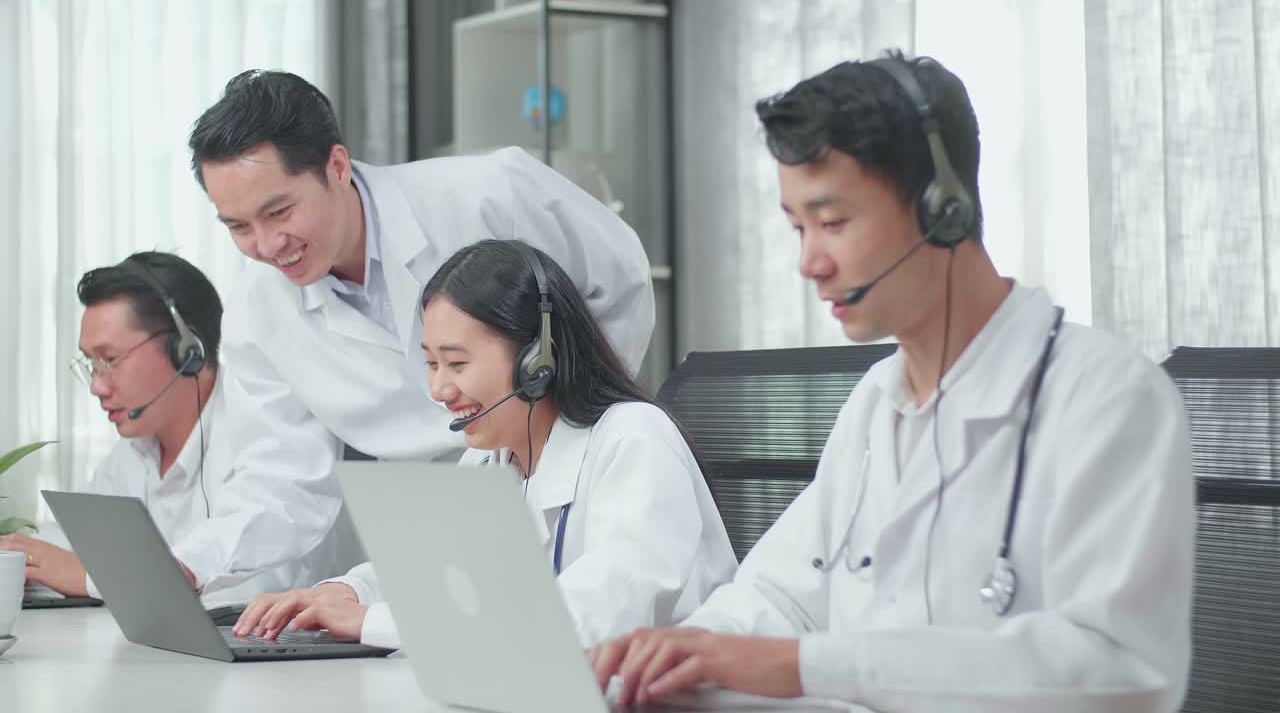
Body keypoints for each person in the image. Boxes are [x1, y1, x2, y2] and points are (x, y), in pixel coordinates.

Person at [589, 52, 1195, 712]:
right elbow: (778, 596)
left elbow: (1120, 667)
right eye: (798, 228)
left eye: (833, 222)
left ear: (945, 209)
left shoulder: (1104, 396)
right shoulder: (876, 407)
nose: (809, 264)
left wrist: (803, 667)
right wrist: (678, 656)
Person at [175, 69, 655, 592]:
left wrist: (574, 412)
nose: (267, 246)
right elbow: (282, 480)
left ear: (336, 166)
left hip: (571, 477)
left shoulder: (491, 194)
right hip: (440, 522)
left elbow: (620, 278)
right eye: (239, 227)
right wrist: (190, 563)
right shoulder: (256, 311)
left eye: (279, 211)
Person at [230, 240, 737, 649]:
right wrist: (346, 592)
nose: (439, 390)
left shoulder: (633, 440)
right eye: (431, 364)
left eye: (457, 363)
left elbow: (587, 620)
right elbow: (429, 569)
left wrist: (367, 622)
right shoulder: (491, 460)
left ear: (538, 359)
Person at [0, 252, 340, 604]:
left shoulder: (268, 431)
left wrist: (92, 577)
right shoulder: (135, 451)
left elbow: (253, 584)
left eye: (110, 360)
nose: (97, 387)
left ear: (186, 350)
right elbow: (72, 544)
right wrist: (16, 555)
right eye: (91, 364)